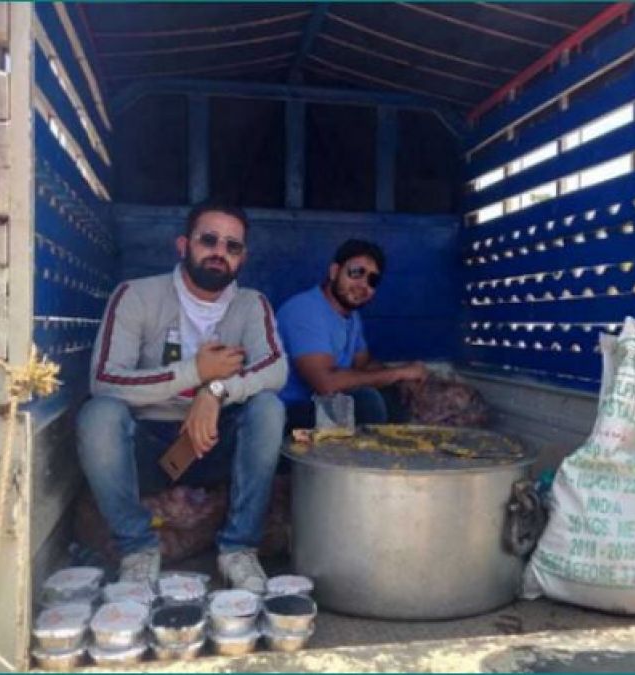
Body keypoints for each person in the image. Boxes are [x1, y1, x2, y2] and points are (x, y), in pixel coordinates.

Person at [76, 199, 287, 592]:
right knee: (98, 415)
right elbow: (104, 379)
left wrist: (215, 391)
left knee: (267, 408)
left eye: (232, 246)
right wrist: (193, 372)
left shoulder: (251, 304)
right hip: (150, 444)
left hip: (215, 442)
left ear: (243, 257)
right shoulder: (136, 295)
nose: (219, 253)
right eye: (209, 240)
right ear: (183, 245)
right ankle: (137, 549)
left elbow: (275, 368)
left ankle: (239, 550)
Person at [276, 239, 427, 429]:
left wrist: (402, 378)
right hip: (290, 412)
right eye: (356, 273)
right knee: (365, 402)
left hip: (329, 404)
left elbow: (363, 365)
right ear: (334, 272)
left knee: (394, 395)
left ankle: (391, 457)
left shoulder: (351, 316)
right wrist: (398, 372)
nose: (363, 285)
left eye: (372, 280)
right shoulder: (304, 310)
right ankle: (361, 457)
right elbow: (325, 384)